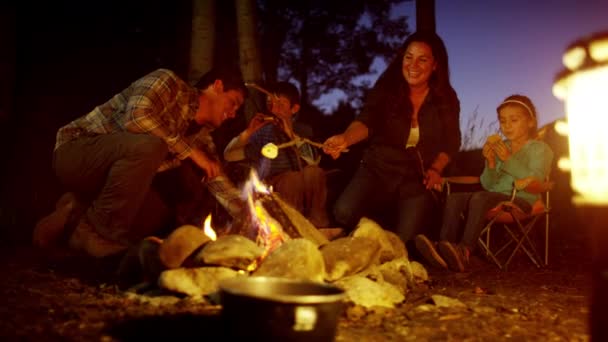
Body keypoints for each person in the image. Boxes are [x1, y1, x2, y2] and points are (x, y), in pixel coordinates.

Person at [33, 67, 248, 258]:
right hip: (75, 153)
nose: (234, 113)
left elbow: (216, 179)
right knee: (152, 145)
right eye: (233, 102)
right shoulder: (169, 82)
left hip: (108, 177)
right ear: (217, 86)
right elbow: (136, 118)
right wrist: (190, 152)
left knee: (156, 213)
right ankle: (98, 234)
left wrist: (252, 214)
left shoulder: (201, 136)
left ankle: (75, 211)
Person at [322, 31, 461, 242]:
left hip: (416, 179)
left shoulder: (447, 98)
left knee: (405, 238)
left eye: (422, 59)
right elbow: (367, 121)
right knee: (344, 211)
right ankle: (365, 230)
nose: (413, 65)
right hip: (378, 167)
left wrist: (436, 169)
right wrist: (345, 139)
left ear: (435, 65)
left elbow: (452, 141)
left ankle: (379, 231)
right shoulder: (386, 89)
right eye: (408, 57)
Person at [415, 94, 554, 272]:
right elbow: (488, 185)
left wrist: (509, 159)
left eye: (514, 120)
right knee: (455, 198)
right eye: (503, 121)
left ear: (530, 122)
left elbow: (536, 181)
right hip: (493, 197)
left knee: (480, 198)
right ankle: (444, 248)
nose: (507, 126)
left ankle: (465, 251)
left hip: (522, 201)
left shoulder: (540, 149)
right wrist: (490, 162)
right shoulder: (501, 147)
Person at [223, 81, 330, 228]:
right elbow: (229, 155)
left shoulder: (303, 131)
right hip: (275, 189)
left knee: (314, 172)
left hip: (303, 186)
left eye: (280, 104)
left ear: (294, 108)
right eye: (270, 104)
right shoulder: (263, 133)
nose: (274, 109)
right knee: (292, 179)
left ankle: (319, 225)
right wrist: (248, 133)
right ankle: (290, 228)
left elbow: (313, 161)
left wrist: (290, 134)